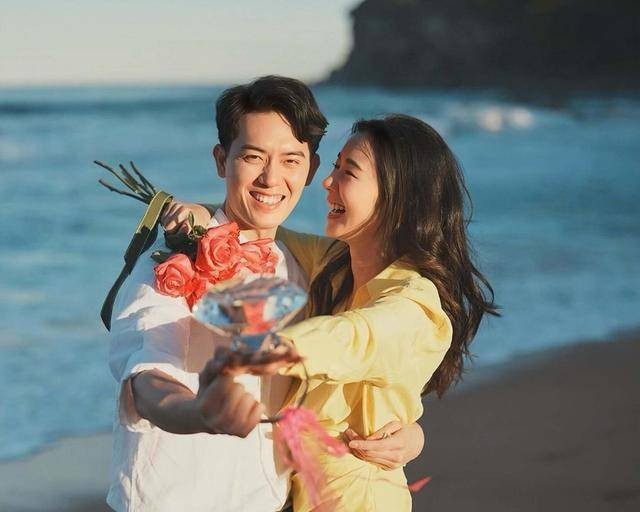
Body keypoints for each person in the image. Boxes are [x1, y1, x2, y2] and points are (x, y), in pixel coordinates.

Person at [106, 76, 424, 512]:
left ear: (311, 170)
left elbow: (351, 375)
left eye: (291, 160)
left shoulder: (307, 270)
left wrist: (411, 434)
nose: (271, 178)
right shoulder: (170, 262)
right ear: (222, 160)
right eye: (253, 157)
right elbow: (147, 379)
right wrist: (199, 412)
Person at [169, 114, 498, 511]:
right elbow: (258, 230)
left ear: (397, 197)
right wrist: (200, 216)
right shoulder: (338, 265)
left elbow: (352, 337)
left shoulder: (413, 304)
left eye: (348, 172)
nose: (328, 181)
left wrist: (261, 351)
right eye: (335, 166)